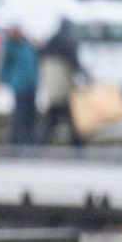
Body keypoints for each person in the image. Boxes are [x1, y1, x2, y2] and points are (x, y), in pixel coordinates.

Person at [36, 18, 85, 147]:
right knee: (70, 119)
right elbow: (75, 64)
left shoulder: (51, 42)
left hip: (53, 88)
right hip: (64, 88)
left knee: (53, 119)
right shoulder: (67, 42)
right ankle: (77, 146)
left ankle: (40, 144)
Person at [0, 20, 39, 147]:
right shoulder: (10, 47)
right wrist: (6, 80)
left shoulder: (28, 45)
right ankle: (15, 141)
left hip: (31, 84)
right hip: (19, 84)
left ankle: (29, 139)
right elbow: (5, 66)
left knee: (30, 114)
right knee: (20, 114)